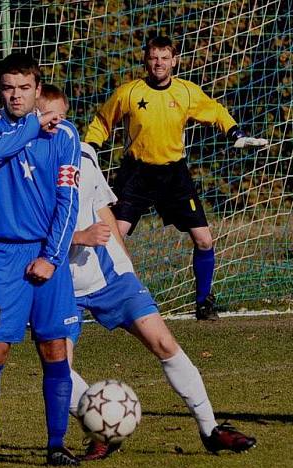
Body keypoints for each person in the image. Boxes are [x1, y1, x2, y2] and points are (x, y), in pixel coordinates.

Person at [36, 85, 256, 459]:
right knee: (57, 365)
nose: (53, 124)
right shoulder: (24, 164)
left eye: (60, 116)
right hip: (57, 280)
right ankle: (101, 428)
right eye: (45, 117)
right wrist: (79, 236)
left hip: (109, 275)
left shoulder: (83, 154)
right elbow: (25, 228)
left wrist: (125, 262)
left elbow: (103, 207)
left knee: (164, 343)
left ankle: (210, 429)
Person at [84, 35, 268, 321]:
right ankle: (101, 299)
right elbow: (102, 122)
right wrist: (89, 150)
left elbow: (216, 111)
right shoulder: (129, 93)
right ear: (146, 60)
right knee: (111, 237)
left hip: (174, 175)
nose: (159, 63)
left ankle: (204, 303)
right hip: (136, 175)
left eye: (164, 57)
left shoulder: (186, 92)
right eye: (154, 57)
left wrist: (235, 132)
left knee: (204, 240)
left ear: (174, 61)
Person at [0, 53, 81, 468]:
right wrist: (33, 124)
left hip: (47, 254)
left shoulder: (64, 134)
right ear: (0, 89)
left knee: (54, 349)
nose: (15, 94)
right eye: (9, 87)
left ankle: (56, 445)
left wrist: (52, 257)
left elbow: (69, 201)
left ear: (37, 88)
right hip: (3, 254)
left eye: (24, 87)